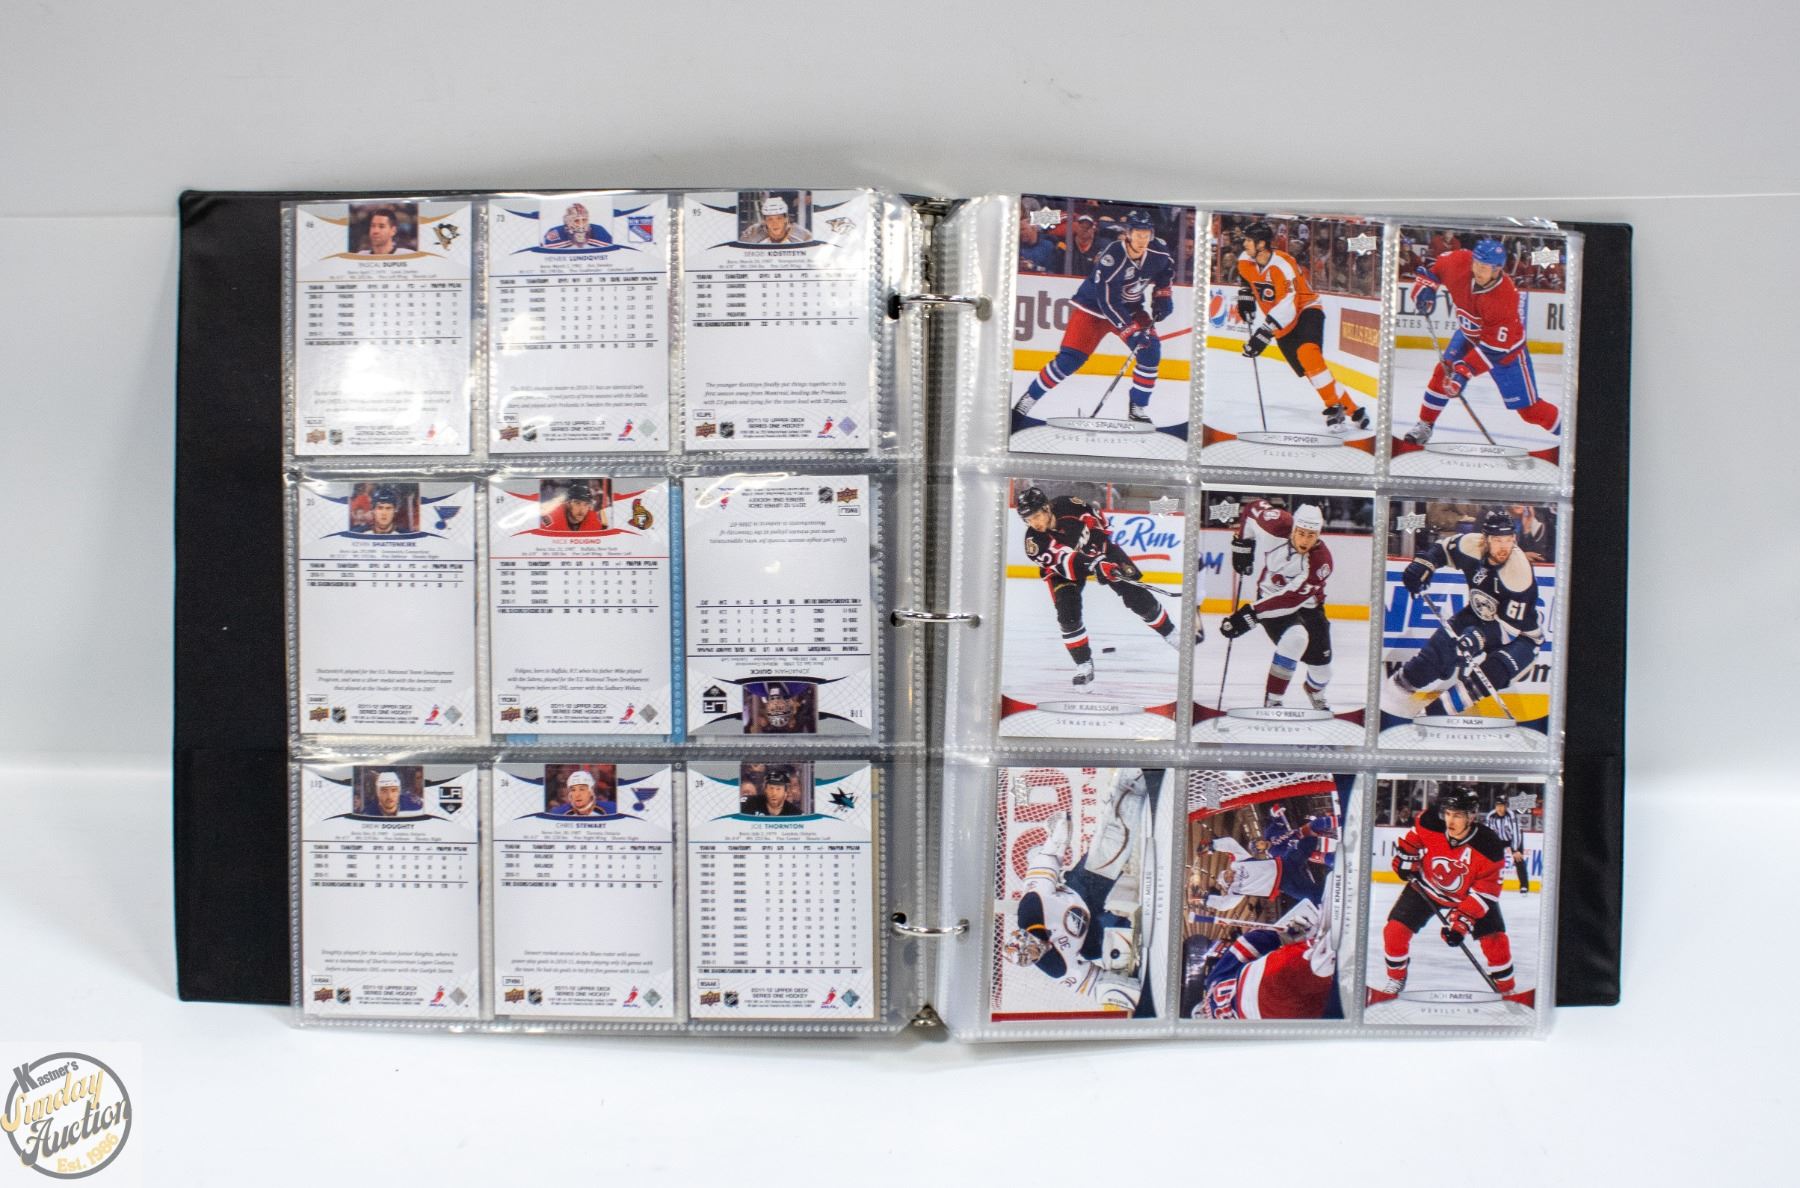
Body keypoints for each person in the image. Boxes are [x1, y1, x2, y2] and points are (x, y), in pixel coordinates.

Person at [1004, 770, 1153, 1016]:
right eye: (1032, 957)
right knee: (1119, 952)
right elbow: (1092, 983)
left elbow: (1046, 861)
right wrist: (1125, 993)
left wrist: (1057, 839)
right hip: (1090, 937)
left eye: (1032, 949)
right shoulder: (1054, 966)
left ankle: (1129, 785)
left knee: (1116, 839)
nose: (1037, 954)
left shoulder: (1032, 907)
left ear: (1029, 937)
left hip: (1081, 890)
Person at [1015, 486, 1194, 687]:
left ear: (1047, 508)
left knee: (1136, 595)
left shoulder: (1068, 504)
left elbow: (1098, 524)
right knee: (1067, 614)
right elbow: (1066, 561)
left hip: (1100, 551)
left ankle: (1171, 634)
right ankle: (1083, 664)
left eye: (1036, 516)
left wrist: (1100, 556)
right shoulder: (1034, 543)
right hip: (1062, 572)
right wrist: (1094, 564)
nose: (1035, 523)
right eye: (1028, 519)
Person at [1011, 210, 1175, 427]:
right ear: (1128, 233)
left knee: (1150, 351)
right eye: (1138, 234)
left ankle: (1137, 408)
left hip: (1131, 308)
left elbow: (1166, 272)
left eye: (1146, 235)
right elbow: (1108, 301)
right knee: (1069, 360)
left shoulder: (1159, 251)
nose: (1142, 240)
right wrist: (1129, 330)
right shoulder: (1113, 256)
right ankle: (1028, 400)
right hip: (1093, 308)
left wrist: (1163, 296)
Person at [1379, 507, 1543, 724]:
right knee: (1430, 659)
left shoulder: (1519, 573)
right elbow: (1441, 550)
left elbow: (1508, 630)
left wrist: (1477, 638)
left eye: (1508, 539)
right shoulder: (1471, 545)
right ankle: (1388, 703)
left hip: (1521, 637)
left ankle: (1430, 719)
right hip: (1476, 616)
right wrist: (1424, 564)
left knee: (1488, 676)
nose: (1504, 546)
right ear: (1485, 538)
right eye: (1497, 540)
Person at [1368, 786, 1527, 1004]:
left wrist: (1460, 924)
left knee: (1496, 942)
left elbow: (1486, 892)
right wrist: (1406, 859)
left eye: (1458, 815)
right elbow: (1413, 840)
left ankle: (1507, 989)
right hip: (1427, 887)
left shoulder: (1488, 845)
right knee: (1394, 931)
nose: (1450, 821)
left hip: (1468, 897)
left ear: (1472, 816)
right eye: (1448, 814)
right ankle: (1397, 977)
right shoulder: (1431, 822)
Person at [1401, 237, 1562, 446]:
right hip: (1468, 336)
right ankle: (1425, 425)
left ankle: (1570, 432)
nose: (1477, 270)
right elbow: (1432, 268)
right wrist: (1426, 286)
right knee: (1443, 372)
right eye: (1476, 263)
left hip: (1505, 353)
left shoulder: (1504, 297)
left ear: (1497, 269)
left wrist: (1463, 373)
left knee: (1530, 412)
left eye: (1484, 267)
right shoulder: (1459, 261)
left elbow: (1494, 349)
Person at [1233, 220, 1369, 436]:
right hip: (1282, 324)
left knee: (1308, 354)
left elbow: (1289, 302)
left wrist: (1264, 332)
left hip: (1306, 309)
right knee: (1312, 371)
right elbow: (1246, 279)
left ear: (1262, 244)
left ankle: (1334, 408)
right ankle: (1353, 409)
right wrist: (1245, 297)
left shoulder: (1283, 264)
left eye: (1249, 240)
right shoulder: (1245, 260)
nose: (1245, 244)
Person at [1217, 499, 1338, 712]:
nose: (1305, 540)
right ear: (1293, 528)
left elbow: (1291, 598)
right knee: (1295, 639)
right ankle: (1273, 700)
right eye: (1301, 533)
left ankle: (1314, 691)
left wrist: (1251, 613)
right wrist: (1243, 544)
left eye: (1311, 535)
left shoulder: (1321, 561)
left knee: (1322, 672)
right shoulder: (1275, 524)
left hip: (1306, 606)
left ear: (1318, 535)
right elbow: (1251, 508)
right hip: (1270, 596)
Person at [1189, 871, 1340, 1020]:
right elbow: (1246, 945)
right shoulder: (1212, 985)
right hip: (1258, 982)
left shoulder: (1227, 1034)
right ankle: (1319, 952)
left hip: (1269, 1019)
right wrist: (1279, 936)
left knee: (1326, 1004)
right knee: (1300, 964)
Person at [1485, 798, 1532, 895]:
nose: (1499, 808)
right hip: (1498, 839)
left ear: (1506, 806)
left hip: (1513, 838)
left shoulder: (1511, 815)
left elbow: (1516, 832)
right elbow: (1488, 833)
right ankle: (1493, 882)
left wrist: (1515, 849)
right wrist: (1489, 847)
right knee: (1492, 860)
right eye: (1497, 806)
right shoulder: (1490, 816)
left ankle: (1524, 886)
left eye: (1502, 806)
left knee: (1518, 860)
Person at [741, 196, 809, 245]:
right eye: (770, 219)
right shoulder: (752, 234)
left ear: (786, 219)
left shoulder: (802, 236)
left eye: (779, 218)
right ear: (764, 221)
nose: (775, 224)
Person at [541, 482, 605, 533]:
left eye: (586, 504)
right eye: (577, 503)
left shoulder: (596, 522)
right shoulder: (550, 519)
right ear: (568, 503)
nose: (582, 510)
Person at [542, 202, 608, 250]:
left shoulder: (599, 231)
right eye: (577, 221)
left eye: (584, 220)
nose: (581, 225)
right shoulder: (555, 234)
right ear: (568, 223)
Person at [1016, 201, 1060, 273]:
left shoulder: (1047, 246)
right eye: (1019, 230)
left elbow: (1051, 271)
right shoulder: (1017, 246)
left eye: (1023, 229)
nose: (1021, 233)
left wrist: (1033, 267)